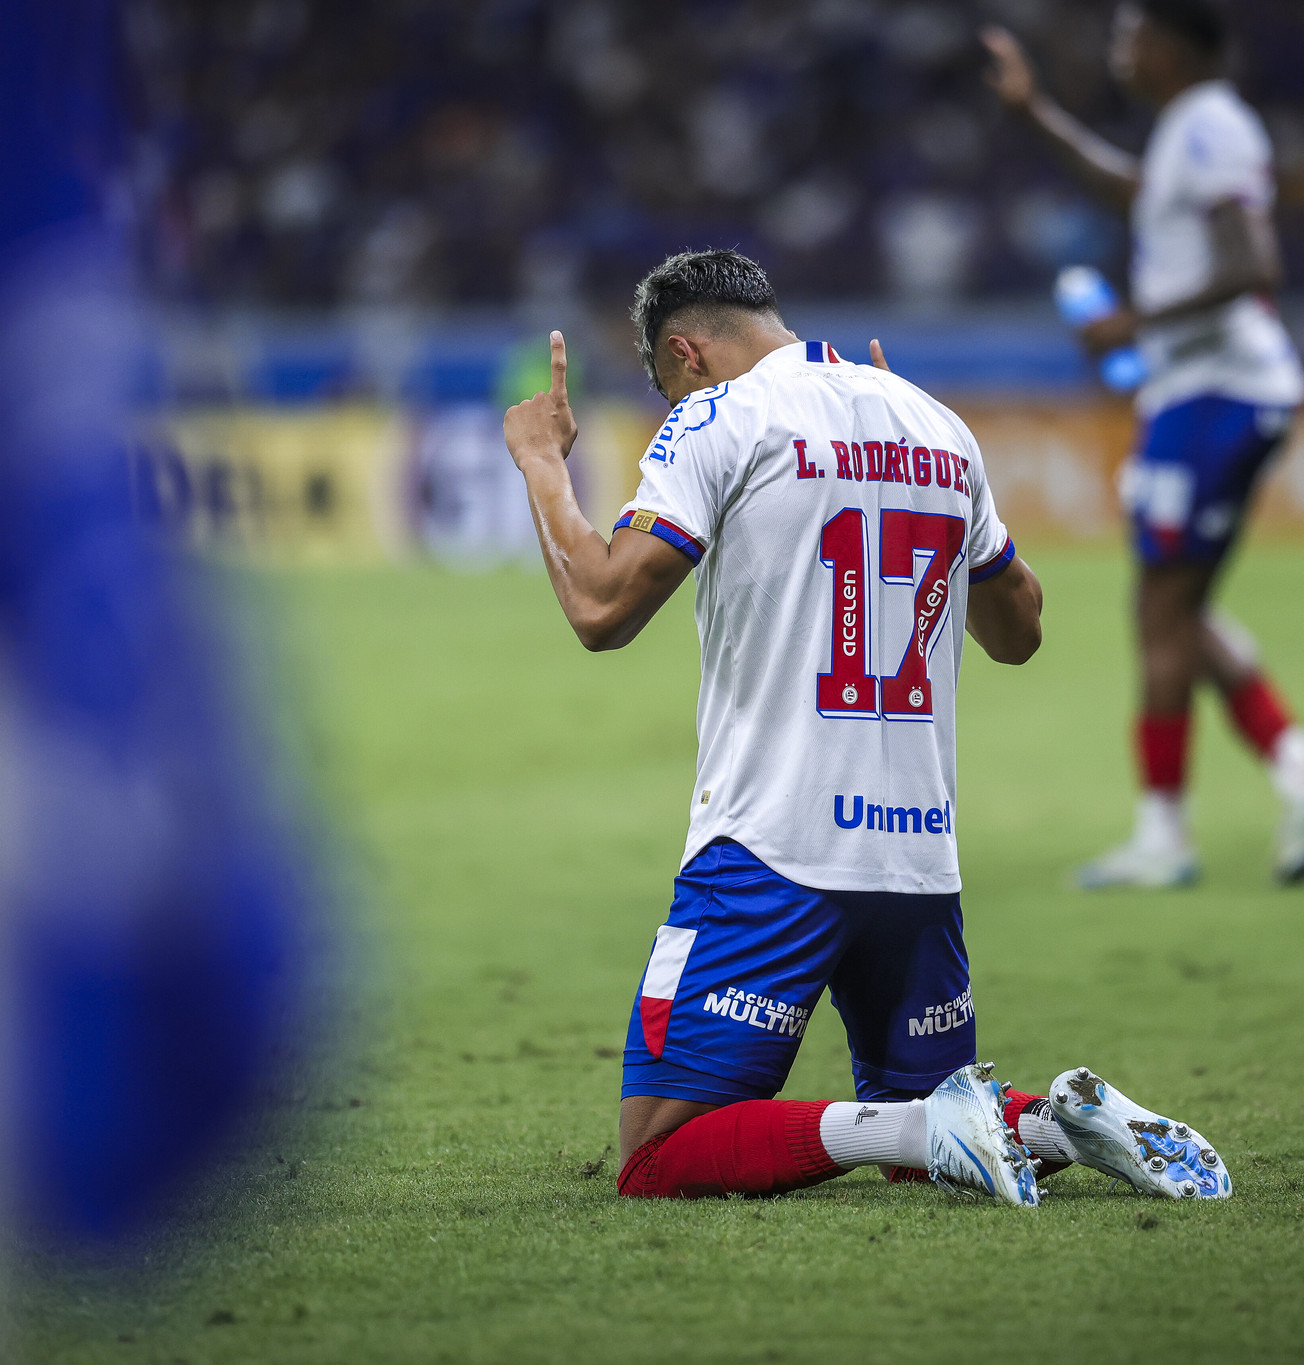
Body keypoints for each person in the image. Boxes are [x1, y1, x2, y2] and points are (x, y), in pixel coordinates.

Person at [501, 249, 1231, 1203]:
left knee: (657, 1156)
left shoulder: (720, 415)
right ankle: (1054, 1121)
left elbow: (602, 607)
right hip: (918, 867)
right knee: (910, 1129)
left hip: (773, 850)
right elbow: (1020, 631)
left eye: (665, 378)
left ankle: (941, 1121)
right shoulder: (932, 419)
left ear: (686, 351)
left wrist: (543, 463)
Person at [982, 0, 1304, 891]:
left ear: (1175, 47)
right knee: (1170, 609)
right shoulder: (1191, 130)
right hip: (1199, 397)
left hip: (1218, 397)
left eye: (1131, 31)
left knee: (1161, 611)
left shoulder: (1214, 126)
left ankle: (1174, 832)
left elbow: (1251, 264)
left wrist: (1133, 324)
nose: (1119, 46)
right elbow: (1130, 190)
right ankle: (1297, 777)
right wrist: (1035, 112)